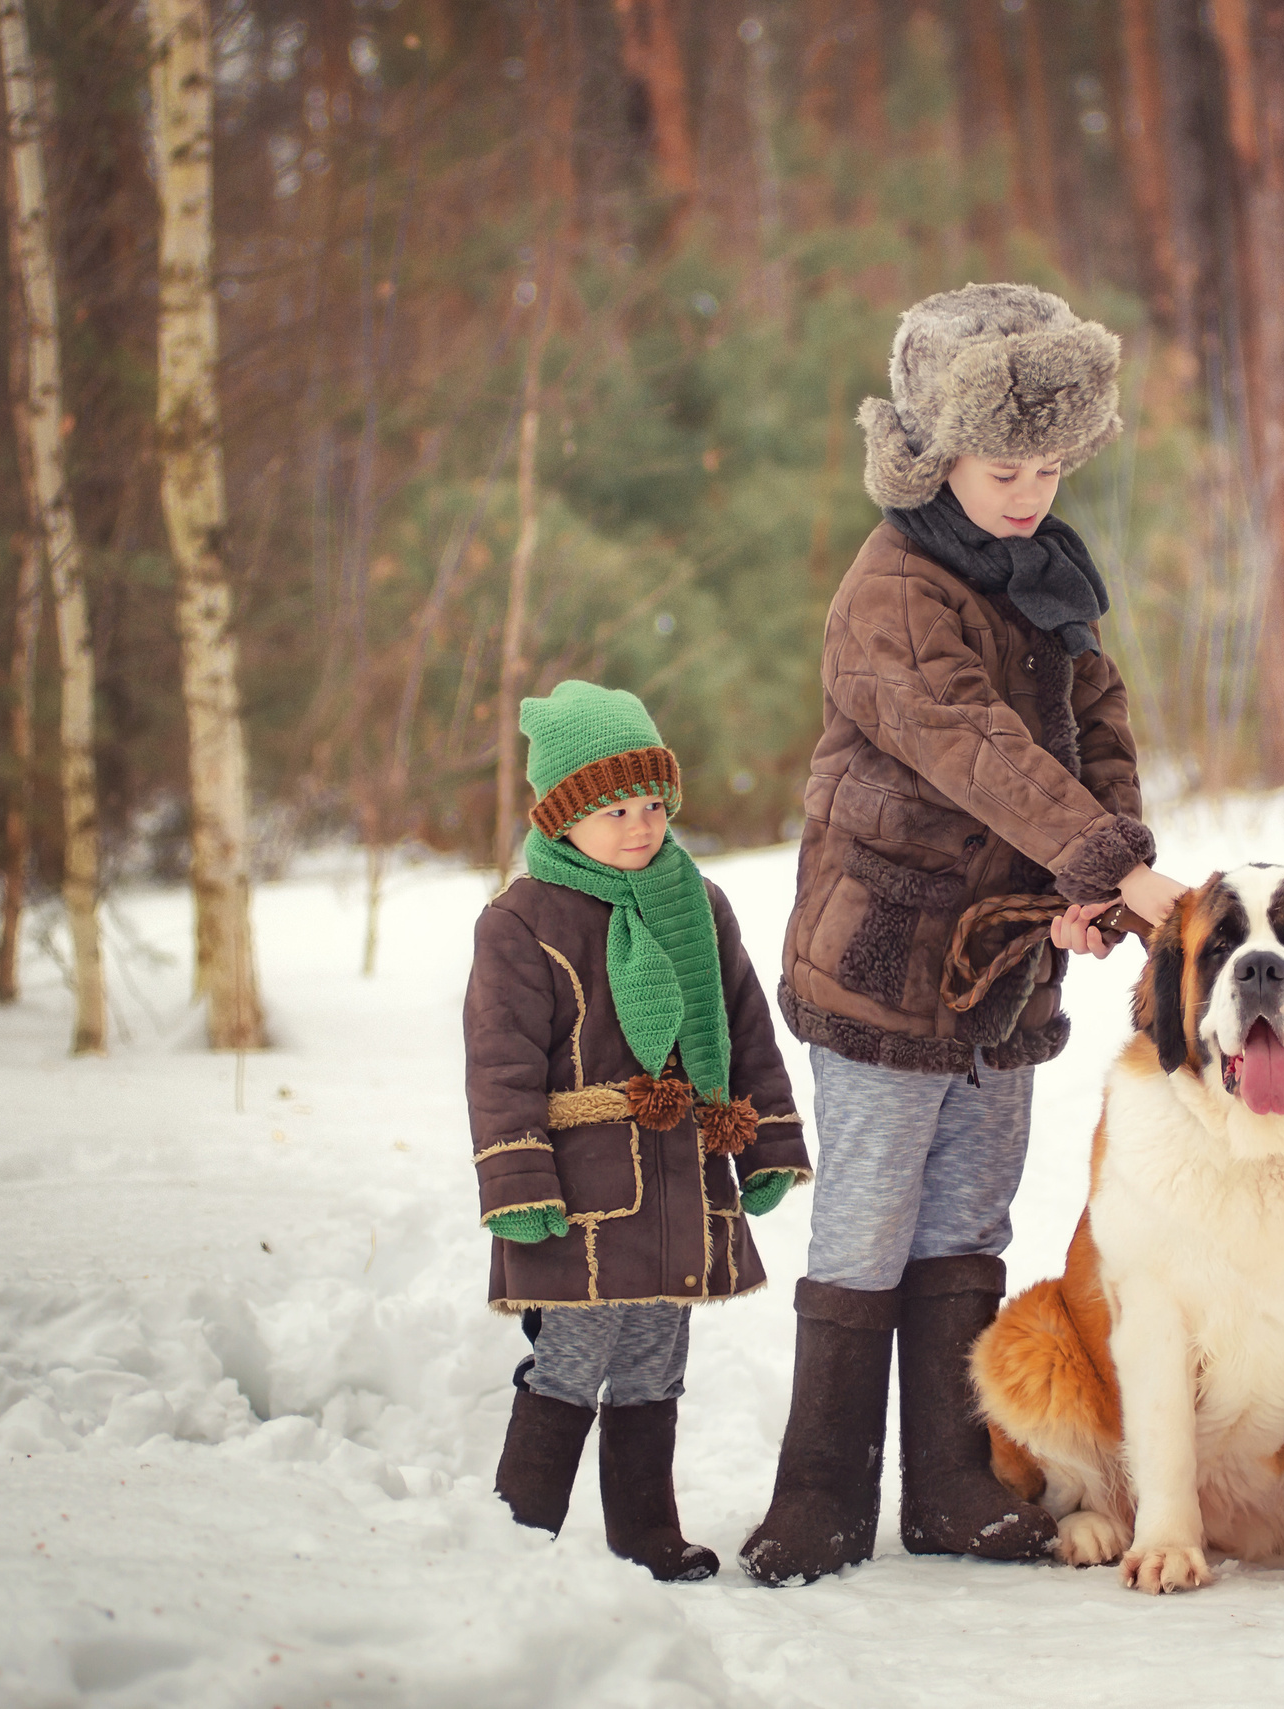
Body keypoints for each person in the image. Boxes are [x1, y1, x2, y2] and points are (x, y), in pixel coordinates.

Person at [743, 283, 1185, 1586]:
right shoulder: (894, 592)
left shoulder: (1047, 578)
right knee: (870, 1222)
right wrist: (1107, 863)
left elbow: (1095, 724)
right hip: (888, 961)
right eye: (1006, 466)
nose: (1030, 492)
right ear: (937, 452)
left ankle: (951, 1483)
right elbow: (972, 745)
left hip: (1004, 964)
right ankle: (819, 1495)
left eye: (1052, 465)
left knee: (966, 1223)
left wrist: (1108, 873)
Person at [466, 680, 809, 1582]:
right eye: (614, 808)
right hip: (578, 1189)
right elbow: (499, 1069)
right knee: (574, 1354)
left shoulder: (695, 903)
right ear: (564, 813)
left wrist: (768, 1142)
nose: (640, 826)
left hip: (678, 1178)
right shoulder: (521, 922)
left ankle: (646, 1530)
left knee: (657, 1355)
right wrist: (516, 1184)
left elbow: (745, 1034)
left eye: (654, 804)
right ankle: (521, 1524)